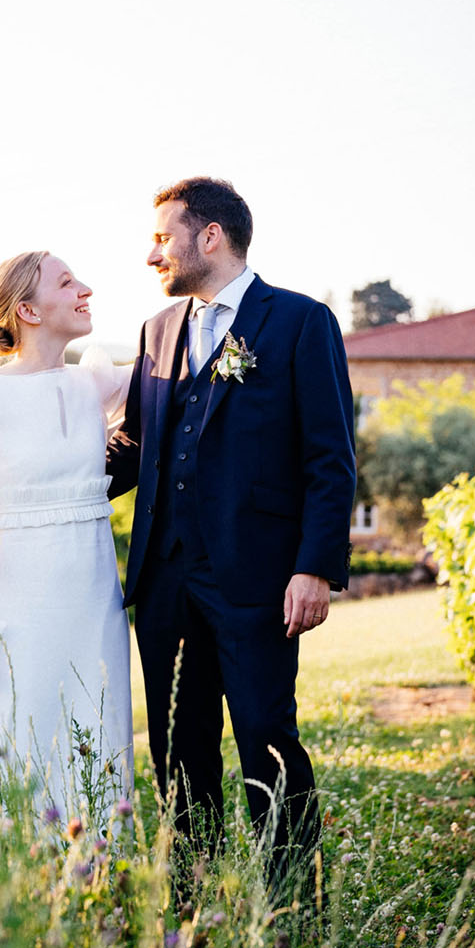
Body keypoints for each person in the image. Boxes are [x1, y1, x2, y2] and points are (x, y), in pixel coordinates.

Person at [106, 176, 357, 895]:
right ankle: (191, 897)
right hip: (165, 576)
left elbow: (329, 456)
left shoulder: (301, 322)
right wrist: (44, 482)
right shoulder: (157, 331)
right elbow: (135, 441)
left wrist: (314, 567)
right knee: (178, 749)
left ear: (208, 235)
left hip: (257, 578)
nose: (151, 253)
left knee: (265, 739)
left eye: (162, 236)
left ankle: (288, 905)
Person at [0, 251, 134, 822]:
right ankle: (9, 885)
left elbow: (180, 368)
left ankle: (96, 882)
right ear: (27, 310)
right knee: (16, 735)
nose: (85, 289)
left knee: (93, 731)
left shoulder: (94, 383)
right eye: (67, 283)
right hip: (16, 607)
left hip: (94, 605)